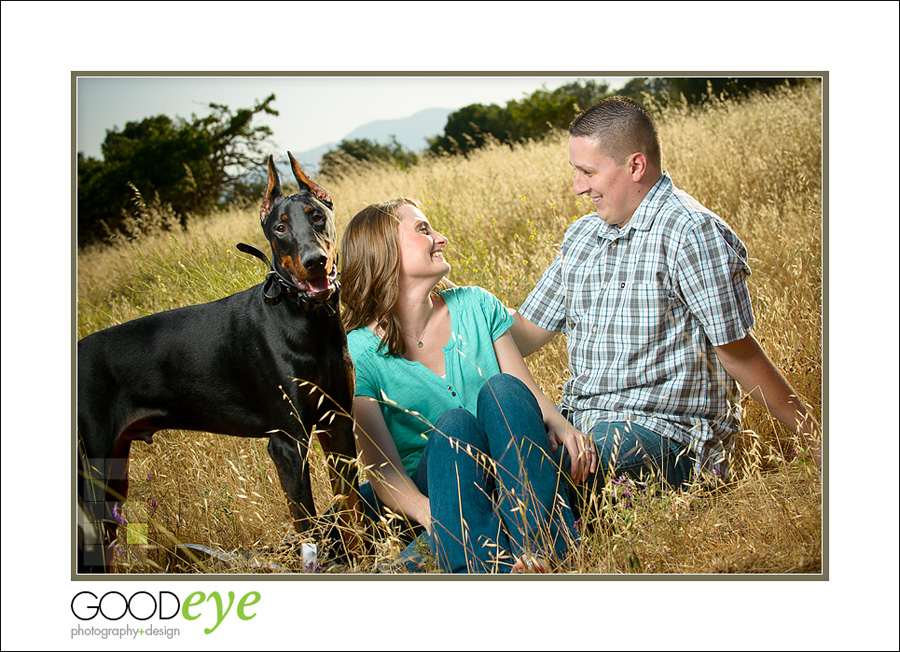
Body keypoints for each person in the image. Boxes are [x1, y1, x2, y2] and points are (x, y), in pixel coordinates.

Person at [511, 96, 821, 489]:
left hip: (667, 437)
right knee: (492, 466)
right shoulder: (583, 236)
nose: (577, 187)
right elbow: (524, 331)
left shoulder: (691, 233)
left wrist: (816, 440)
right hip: (579, 425)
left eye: (587, 172)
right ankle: (425, 551)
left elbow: (737, 351)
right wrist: (439, 301)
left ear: (635, 166)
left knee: (535, 476)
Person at [340, 198, 594, 573]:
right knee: (456, 424)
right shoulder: (359, 351)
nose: (439, 238)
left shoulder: (475, 304)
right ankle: (481, 572)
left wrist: (561, 425)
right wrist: (434, 515)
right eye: (423, 229)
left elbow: (523, 390)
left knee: (502, 390)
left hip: (508, 463)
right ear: (384, 252)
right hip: (439, 486)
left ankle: (541, 553)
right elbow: (382, 469)